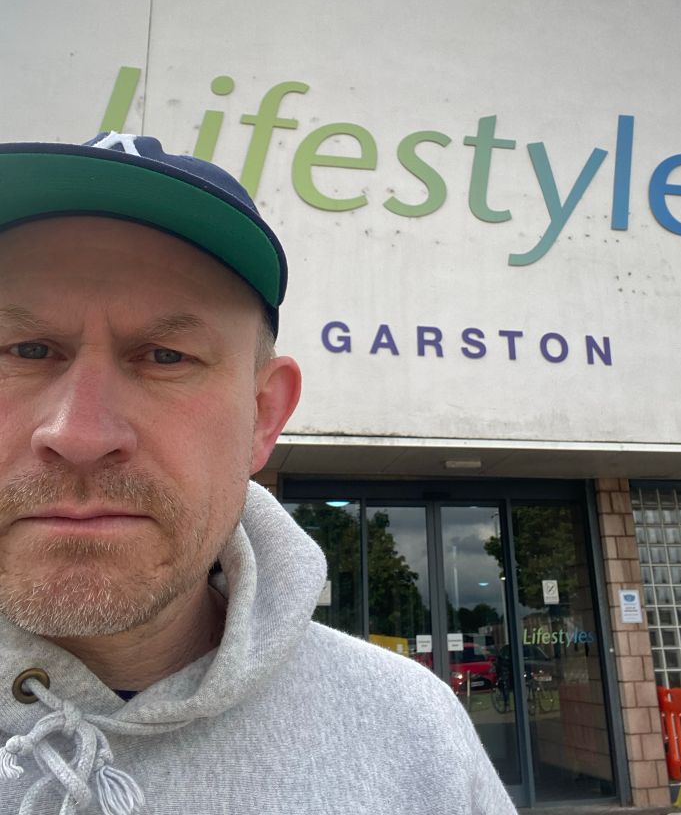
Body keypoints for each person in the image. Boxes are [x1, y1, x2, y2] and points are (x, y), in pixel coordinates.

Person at [0, 132, 518, 815]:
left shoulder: (413, 732)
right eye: (27, 348)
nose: (80, 434)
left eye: (164, 356)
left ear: (263, 415)